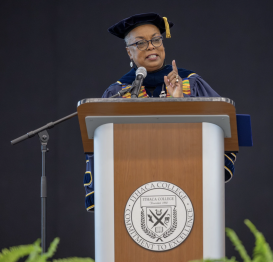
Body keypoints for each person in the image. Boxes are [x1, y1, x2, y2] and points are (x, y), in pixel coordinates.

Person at [83, 13, 237, 212]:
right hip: (131, 195)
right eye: (140, 43)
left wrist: (179, 102)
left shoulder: (190, 82)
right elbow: (99, 148)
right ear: (129, 52)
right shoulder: (117, 93)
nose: (151, 46)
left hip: (189, 187)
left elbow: (223, 129)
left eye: (156, 39)